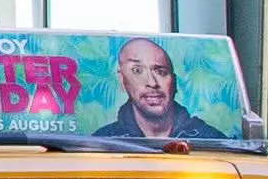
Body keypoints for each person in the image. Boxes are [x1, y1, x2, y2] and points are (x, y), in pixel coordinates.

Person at [92, 37, 224, 142]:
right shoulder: (103, 143)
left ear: (174, 82)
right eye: (137, 71)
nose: (152, 83)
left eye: (161, 72)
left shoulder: (211, 140)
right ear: (122, 80)